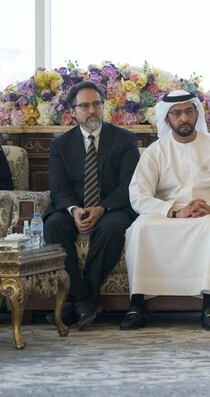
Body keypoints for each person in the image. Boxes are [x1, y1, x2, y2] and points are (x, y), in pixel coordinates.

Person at [121, 90, 210, 331]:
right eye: (176, 113)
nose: (183, 118)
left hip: (206, 213)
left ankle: (209, 304)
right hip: (168, 213)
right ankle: (137, 302)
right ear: (167, 119)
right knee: (141, 228)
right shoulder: (156, 151)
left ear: (197, 113)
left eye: (189, 111)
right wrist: (173, 212)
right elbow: (138, 195)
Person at [43, 81, 140, 329]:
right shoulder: (60, 145)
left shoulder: (125, 140)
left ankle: (78, 300)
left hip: (112, 208)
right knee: (54, 225)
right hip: (73, 208)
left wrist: (102, 208)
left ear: (103, 106)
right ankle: (83, 299)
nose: (92, 111)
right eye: (84, 106)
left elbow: (128, 186)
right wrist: (74, 210)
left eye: (96, 104)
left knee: (111, 229)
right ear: (73, 112)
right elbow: (59, 189)